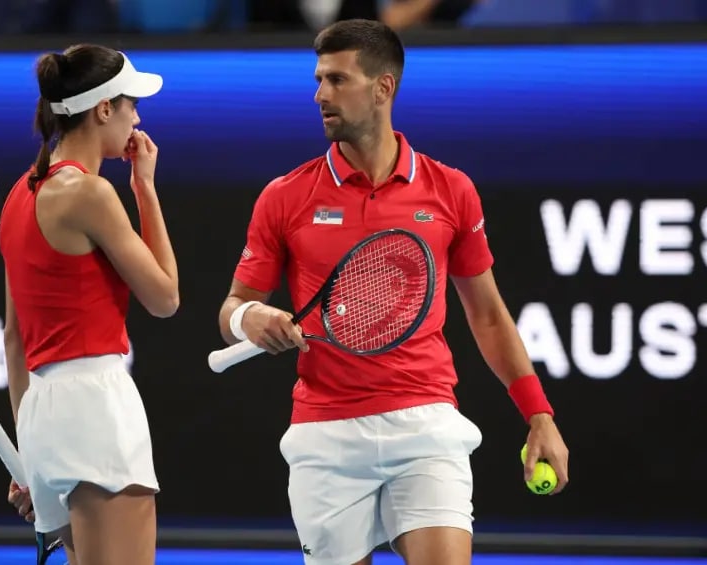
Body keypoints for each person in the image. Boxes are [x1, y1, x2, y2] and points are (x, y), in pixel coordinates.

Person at [216, 19, 568, 565]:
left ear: (384, 88)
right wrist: (251, 320)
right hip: (326, 434)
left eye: (337, 80)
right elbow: (233, 309)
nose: (320, 95)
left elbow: (488, 315)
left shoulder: (451, 189)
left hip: (425, 423)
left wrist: (539, 415)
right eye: (318, 80)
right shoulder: (284, 196)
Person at [0, 43, 179, 565]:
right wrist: (144, 188)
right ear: (103, 110)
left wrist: (28, 452)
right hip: (96, 412)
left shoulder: (20, 194)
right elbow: (165, 297)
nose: (137, 118)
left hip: (41, 417)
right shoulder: (91, 194)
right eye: (131, 105)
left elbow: (14, 340)